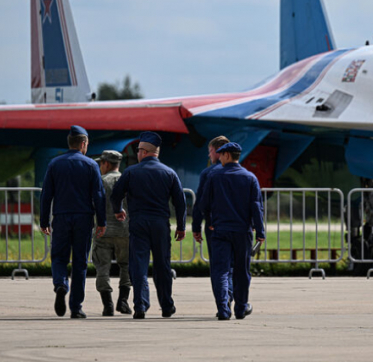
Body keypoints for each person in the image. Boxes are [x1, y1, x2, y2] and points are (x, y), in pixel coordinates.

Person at [110, 131, 187, 319]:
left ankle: (140, 305)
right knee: (162, 266)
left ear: (144, 151)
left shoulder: (130, 172)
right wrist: (181, 226)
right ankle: (167, 306)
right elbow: (180, 202)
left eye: (138, 150)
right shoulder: (169, 173)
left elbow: (115, 195)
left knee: (139, 265)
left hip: (138, 223)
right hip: (160, 224)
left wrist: (118, 210)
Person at [39, 125, 106, 319]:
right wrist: (101, 221)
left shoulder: (54, 164)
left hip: (61, 217)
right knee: (80, 262)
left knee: (59, 257)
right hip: (83, 219)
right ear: (83, 144)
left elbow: (46, 195)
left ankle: (60, 284)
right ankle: (76, 307)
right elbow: (99, 196)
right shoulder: (91, 165)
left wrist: (44, 220)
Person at [200, 142, 265, 321]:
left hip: (220, 231)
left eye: (221, 155)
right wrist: (260, 231)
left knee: (220, 271)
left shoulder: (214, 177)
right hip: (242, 232)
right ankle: (240, 308)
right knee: (241, 271)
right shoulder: (250, 178)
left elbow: (204, 204)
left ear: (227, 155)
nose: (219, 158)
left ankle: (223, 309)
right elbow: (256, 207)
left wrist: (210, 221)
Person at [192, 135, 232, 314]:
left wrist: (195, 226)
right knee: (234, 266)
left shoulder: (208, 174)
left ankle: (223, 305)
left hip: (214, 227)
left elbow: (200, 203)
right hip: (238, 228)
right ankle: (231, 298)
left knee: (219, 267)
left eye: (210, 152)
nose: (209, 156)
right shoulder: (244, 173)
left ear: (217, 151)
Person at [92, 150, 132, 316]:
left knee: (103, 267)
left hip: (103, 231)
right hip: (125, 231)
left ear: (106, 164)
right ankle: (123, 301)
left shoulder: (100, 181)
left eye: (101, 163)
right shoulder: (128, 181)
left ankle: (107, 304)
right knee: (126, 266)